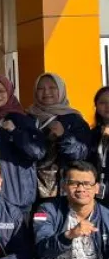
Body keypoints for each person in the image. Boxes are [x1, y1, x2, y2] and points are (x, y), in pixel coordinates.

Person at [0, 76, 46, 210]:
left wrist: (15, 132)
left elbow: (37, 152)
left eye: (2, 91)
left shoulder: (23, 120)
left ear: (9, 93)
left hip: (17, 193)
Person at [27, 73, 90, 203]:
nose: (46, 92)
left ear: (61, 90)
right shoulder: (28, 117)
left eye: (52, 88)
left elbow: (82, 153)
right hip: (30, 188)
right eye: (41, 88)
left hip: (63, 189)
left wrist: (63, 136)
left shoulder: (74, 119)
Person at [90, 86, 109, 205]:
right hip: (96, 193)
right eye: (103, 102)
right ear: (96, 106)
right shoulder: (92, 133)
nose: (107, 106)